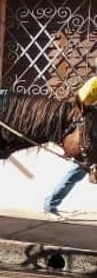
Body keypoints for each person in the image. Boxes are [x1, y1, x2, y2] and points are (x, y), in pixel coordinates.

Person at [43, 75, 97, 220]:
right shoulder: (94, 84)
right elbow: (79, 106)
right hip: (91, 137)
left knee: (76, 173)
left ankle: (50, 205)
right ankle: (50, 205)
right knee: (76, 173)